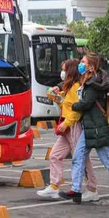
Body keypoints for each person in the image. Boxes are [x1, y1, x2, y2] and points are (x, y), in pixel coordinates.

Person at [59, 53, 109, 205]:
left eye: (83, 62)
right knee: (78, 157)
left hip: (97, 128)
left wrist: (74, 105)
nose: (80, 64)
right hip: (89, 127)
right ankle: (76, 190)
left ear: (91, 66)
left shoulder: (93, 83)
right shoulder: (86, 81)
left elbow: (86, 103)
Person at [37, 59, 98, 201]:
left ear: (70, 71)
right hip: (66, 126)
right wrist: (57, 97)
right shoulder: (69, 87)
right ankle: (54, 186)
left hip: (73, 126)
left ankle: (92, 188)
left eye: (64, 69)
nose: (62, 73)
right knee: (55, 155)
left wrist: (67, 123)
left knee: (81, 158)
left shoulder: (76, 87)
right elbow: (67, 105)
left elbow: (77, 110)